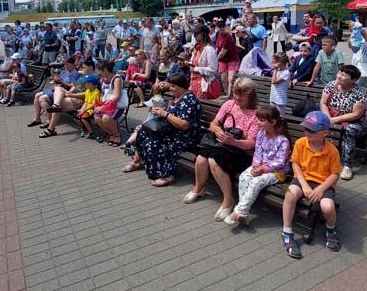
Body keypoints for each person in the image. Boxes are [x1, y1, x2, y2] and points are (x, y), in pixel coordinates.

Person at [184, 78, 259, 218]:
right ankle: (199, 188)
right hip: (222, 145)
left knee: (213, 160)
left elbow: (252, 143)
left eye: (241, 94)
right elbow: (213, 124)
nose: (237, 97)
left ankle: (228, 200)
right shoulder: (229, 104)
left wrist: (234, 142)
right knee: (201, 158)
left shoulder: (256, 114)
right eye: (235, 93)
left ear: (251, 95)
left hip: (242, 152)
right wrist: (218, 131)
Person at [282, 111, 341, 259]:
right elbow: (295, 164)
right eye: (306, 128)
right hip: (304, 179)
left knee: (327, 206)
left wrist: (321, 189)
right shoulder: (301, 143)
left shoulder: (332, 151)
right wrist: (305, 185)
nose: (307, 132)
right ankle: (286, 231)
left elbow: (335, 174)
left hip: (323, 182)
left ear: (325, 133)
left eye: (312, 130)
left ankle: (331, 228)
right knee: (290, 194)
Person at [124, 73, 201, 186]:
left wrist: (164, 114)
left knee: (152, 142)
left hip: (184, 136)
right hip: (172, 130)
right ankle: (137, 162)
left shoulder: (189, 100)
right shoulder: (177, 96)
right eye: (170, 85)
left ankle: (167, 175)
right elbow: (171, 112)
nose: (171, 88)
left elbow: (184, 125)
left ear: (182, 86)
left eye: (173, 86)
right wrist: (160, 110)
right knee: (142, 132)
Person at [224, 106, 291, 226]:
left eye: (261, 120)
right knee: (244, 176)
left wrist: (263, 169)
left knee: (256, 182)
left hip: (277, 172)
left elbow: (280, 162)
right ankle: (243, 213)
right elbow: (258, 151)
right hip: (260, 166)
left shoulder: (283, 140)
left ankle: (239, 211)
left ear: (273, 122)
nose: (257, 122)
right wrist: (255, 165)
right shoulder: (261, 134)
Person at [320, 64, 367, 181]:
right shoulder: (331, 85)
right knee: (314, 124)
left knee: (349, 130)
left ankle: (347, 165)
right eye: (340, 73)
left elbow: (356, 114)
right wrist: (327, 118)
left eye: (344, 75)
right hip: (331, 117)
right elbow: (323, 103)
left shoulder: (359, 92)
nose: (339, 76)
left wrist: (334, 120)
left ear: (353, 80)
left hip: (354, 122)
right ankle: (320, 157)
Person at [93, 60, 128, 146]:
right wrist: (99, 105)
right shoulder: (103, 80)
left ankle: (117, 135)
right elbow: (102, 95)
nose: (98, 72)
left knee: (106, 118)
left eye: (99, 70)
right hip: (107, 105)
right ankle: (111, 134)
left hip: (117, 106)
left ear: (104, 69)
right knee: (97, 118)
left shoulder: (116, 79)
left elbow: (116, 97)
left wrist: (102, 107)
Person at [189, 27, 220, 100]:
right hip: (193, 84)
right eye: (194, 34)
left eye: (197, 34)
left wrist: (196, 69)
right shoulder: (196, 49)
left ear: (203, 34)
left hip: (204, 85)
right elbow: (193, 63)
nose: (194, 36)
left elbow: (213, 70)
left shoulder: (209, 50)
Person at [215, 19, 241, 98]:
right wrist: (215, 56)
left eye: (223, 26)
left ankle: (231, 96)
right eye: (220, 27)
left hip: (232, 60)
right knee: (223, 80)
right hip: (223, 61)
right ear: (217, 28)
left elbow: (223, 52)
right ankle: (227, 95)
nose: (221, 28)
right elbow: (217, 48)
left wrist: (215, 60)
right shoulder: (218, 35)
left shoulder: (228, 37)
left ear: (225, 27)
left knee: (230, 79)